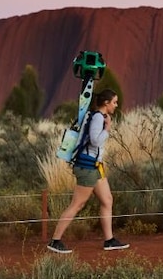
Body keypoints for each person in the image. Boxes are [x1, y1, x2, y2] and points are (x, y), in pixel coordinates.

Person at [47, 88, 130, 253]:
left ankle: (109, 240)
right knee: (78, 204)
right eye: (114, 102)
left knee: (107, 200)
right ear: (106, 103)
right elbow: (95, 141)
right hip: (87, 167)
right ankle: (55, 241)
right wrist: (107, 129)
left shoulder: (98, 116)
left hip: (95, 166)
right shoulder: (98, 118)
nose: (116, 105)